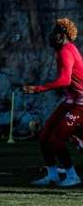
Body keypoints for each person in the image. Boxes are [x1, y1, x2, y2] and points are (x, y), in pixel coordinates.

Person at [24, 18, 83, 187]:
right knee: (44, 137)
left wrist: (38, 89)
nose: (51, 36)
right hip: (71, 101)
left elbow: (64, 80)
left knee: (56, 139)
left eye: (54, 32)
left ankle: (73, 176)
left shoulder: (66, 51)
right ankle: (52, 176)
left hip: (80, 102)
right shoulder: (64, 49)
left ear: (62, 35)